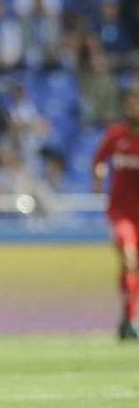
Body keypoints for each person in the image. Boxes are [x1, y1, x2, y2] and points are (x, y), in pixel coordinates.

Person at [93, 89, 139, 341]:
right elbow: (99, 160)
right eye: (130, 101)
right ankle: (131, 319)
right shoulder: (116, 135)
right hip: (121, 212)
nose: (132, 107)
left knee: (133, 268)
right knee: (129, 259)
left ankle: (128, 316)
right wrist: (99, 175)